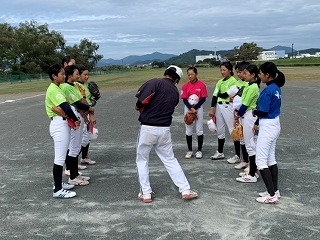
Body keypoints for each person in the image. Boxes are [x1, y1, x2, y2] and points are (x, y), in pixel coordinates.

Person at [135, 65, 198, 203]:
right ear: (176, 79)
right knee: (170, 159)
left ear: (166, 73)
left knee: (142, 160)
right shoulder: (175, 91)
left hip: (147, 127)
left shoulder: (154, 82)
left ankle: (146, 193)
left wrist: (139, 107)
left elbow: (141, 101)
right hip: (164, 129)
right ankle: (185, 189)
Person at [45, 63, 80, 198]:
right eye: (61, 74)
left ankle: (58, 183)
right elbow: (65, 106)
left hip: (61, 124)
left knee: (62, 154)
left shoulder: (57, 87)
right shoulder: (53, 89)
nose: (64, 76)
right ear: (54, 76)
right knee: (59, 158)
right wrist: (74, 119)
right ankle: (58, 190)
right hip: (59, 125)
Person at [253, 62, 285, 204]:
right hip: (275, 124)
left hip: (267, 125)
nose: (260, 76)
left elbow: (263, 111)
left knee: (261, 161)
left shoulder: (267, 91)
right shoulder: (276, 88)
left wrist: (254, 111)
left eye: (260, 74)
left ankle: (271, 195)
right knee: (271, 158)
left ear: (267, 75)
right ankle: (274, 191)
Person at [60, 65, 94, 186]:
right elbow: (77, 103)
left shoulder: (74, 85)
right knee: (74, 147)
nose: (78, 76)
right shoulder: (65, 86)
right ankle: (73, 176)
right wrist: (90, 109)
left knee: (76, 146)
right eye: (76, 74)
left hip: (78, 116)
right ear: (70, 75)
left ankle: (75, 174)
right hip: (73, 117)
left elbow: (82, 100)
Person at [209, 61, 241, 162]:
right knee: (220, 129)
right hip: (219, 106)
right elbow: (215, 96)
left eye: (224, 70)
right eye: (221, 70)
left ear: (230, 70)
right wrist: (212, 107)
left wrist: (219, 94)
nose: (222, 72)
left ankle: (237, 155)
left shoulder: (233, 81)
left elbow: (224, 95)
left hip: (228, 106)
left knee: (233, 130)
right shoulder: (220, 82)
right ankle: (220, 152)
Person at [234, 64, 261, 183]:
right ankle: (254, 170)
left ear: (253, 75)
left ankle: (252, 174)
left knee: (250, 145)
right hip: (246, 115)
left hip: (249, 115)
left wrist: (237, 115)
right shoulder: (249, 85)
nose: (243, 75)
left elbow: (245, 105)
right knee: (249, 143)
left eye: (246, 73)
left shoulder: (253, 87)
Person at [180, 66, 208, 159]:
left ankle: (199, 150)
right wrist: (190, 108)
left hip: (198, 108)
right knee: (189, 129)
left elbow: (203, 98)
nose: (190, 76)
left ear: (196, 74)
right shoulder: (185, 86)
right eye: (189, 74)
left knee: (199, 129)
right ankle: (189, 150)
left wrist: (195, 107)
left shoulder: (201, 85)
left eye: (192, 74)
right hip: (188, 108)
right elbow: (184, 99)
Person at [77, 65, 97, 165]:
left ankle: (84, 157)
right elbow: (82, 102)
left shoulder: (85, 86)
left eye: (88, 74)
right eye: (84, 74)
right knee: (84, 138)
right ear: (79, 75)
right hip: (83, 114)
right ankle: (73, 161)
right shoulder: (77, 85)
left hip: (88, 113)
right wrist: (90, 115)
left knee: (89, 136)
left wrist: (95, 99)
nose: (87, 77)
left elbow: (89, 101)